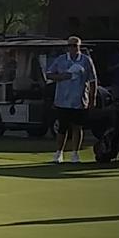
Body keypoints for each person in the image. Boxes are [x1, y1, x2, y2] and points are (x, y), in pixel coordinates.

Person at [46, 36, 97, 164]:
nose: (72, 48)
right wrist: (62, 76)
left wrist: (92, 99)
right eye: (70, 46)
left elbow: (92, 81)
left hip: (79, 101)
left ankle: (75, 154)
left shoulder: (86, 60)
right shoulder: (61, 60)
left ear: (79, 46)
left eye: (75, 45)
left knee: (77, 128)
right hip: (62, 100)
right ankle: (59, 153)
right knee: (62, 128)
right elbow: (49, 74)